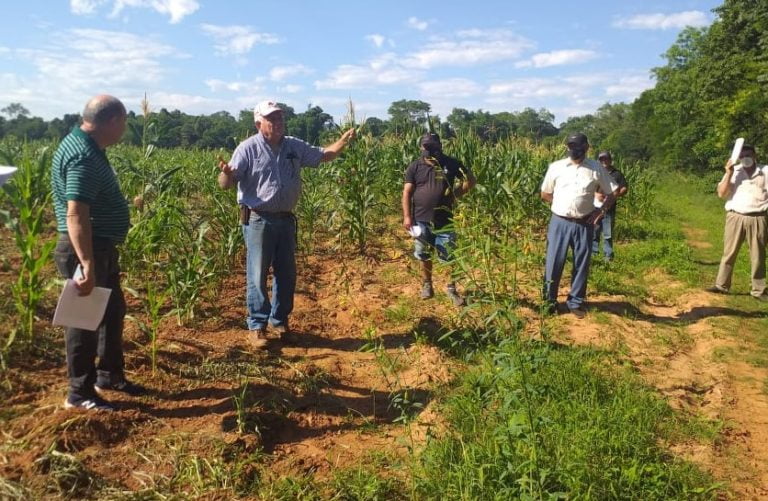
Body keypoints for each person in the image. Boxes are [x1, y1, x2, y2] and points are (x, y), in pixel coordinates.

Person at [218, 100, 356, 348]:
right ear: (259, 123)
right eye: (272, 119)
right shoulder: (247, 149)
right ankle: (257, 326)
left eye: (280, 118)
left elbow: (324, 155)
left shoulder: (293, 146)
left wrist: (343, 141)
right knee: (257, 273)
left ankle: (279, 321)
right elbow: (225, 184)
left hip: (285, 219)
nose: (279, 123)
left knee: (287, 274)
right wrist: (227, 173)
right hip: (258, 218)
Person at [51, 95, 146, 412]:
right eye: (124, 123)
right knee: (83, 321)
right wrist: (88, 263)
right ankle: (79, 393)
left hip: (99, 247)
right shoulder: (83, 155)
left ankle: (109, 375)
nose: (124, 130)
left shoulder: (86, 147)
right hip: (87, 249)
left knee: (112, 311)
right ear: (113, 121)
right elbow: (76, 213)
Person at [540, 133, 619, 318]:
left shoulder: (596, 168)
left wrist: (601, 211)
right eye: (571, 145)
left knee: (581, 263)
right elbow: (545, 193)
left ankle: (575, 302)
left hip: (584, 223)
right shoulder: (556, 167)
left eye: (578, 145)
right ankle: (549, 302)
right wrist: (559, 204)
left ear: (586, 147)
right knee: (553, 262)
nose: (574, 149)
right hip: (559, 222)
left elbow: (612, 192)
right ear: (567, 147)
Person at [401, 132, 476, 306]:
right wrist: (406, 216)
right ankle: (427, 284)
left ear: (439, 146)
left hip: (445, 219)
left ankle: (451, 289)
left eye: (431, 147)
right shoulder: (415, 166)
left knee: (449, 255)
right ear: (421, 147)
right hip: (420, 219)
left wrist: (455, 194)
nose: (427, 150)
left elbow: (470, 180)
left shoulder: (451, 163)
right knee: (423, 253)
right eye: (425, 146)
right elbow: (407, 192)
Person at [707, 144, 768, 301]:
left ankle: (759, 290)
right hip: (735, 216)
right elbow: (721, 193)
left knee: (758, 256)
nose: (745, 158)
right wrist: (728, 173)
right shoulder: (735, 172)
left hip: (758, 217)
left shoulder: (765, 171)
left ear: (755, 155)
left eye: (748, 155)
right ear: (739, 158)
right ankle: (722, 285)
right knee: (729, 252)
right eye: (742, 156)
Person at [592, 151, 629, 261]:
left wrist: (614, 196)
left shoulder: (617, 174)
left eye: (606, 159)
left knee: (608, 233)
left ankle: (608, 256)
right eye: (601, 159)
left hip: (609, 208)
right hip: (596, 207)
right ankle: (594, 255)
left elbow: (624, 188)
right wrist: (596, 194)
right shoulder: (596, 173)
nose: (604, 161)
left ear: (610, 160)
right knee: (594, 231)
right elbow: (588, 187)